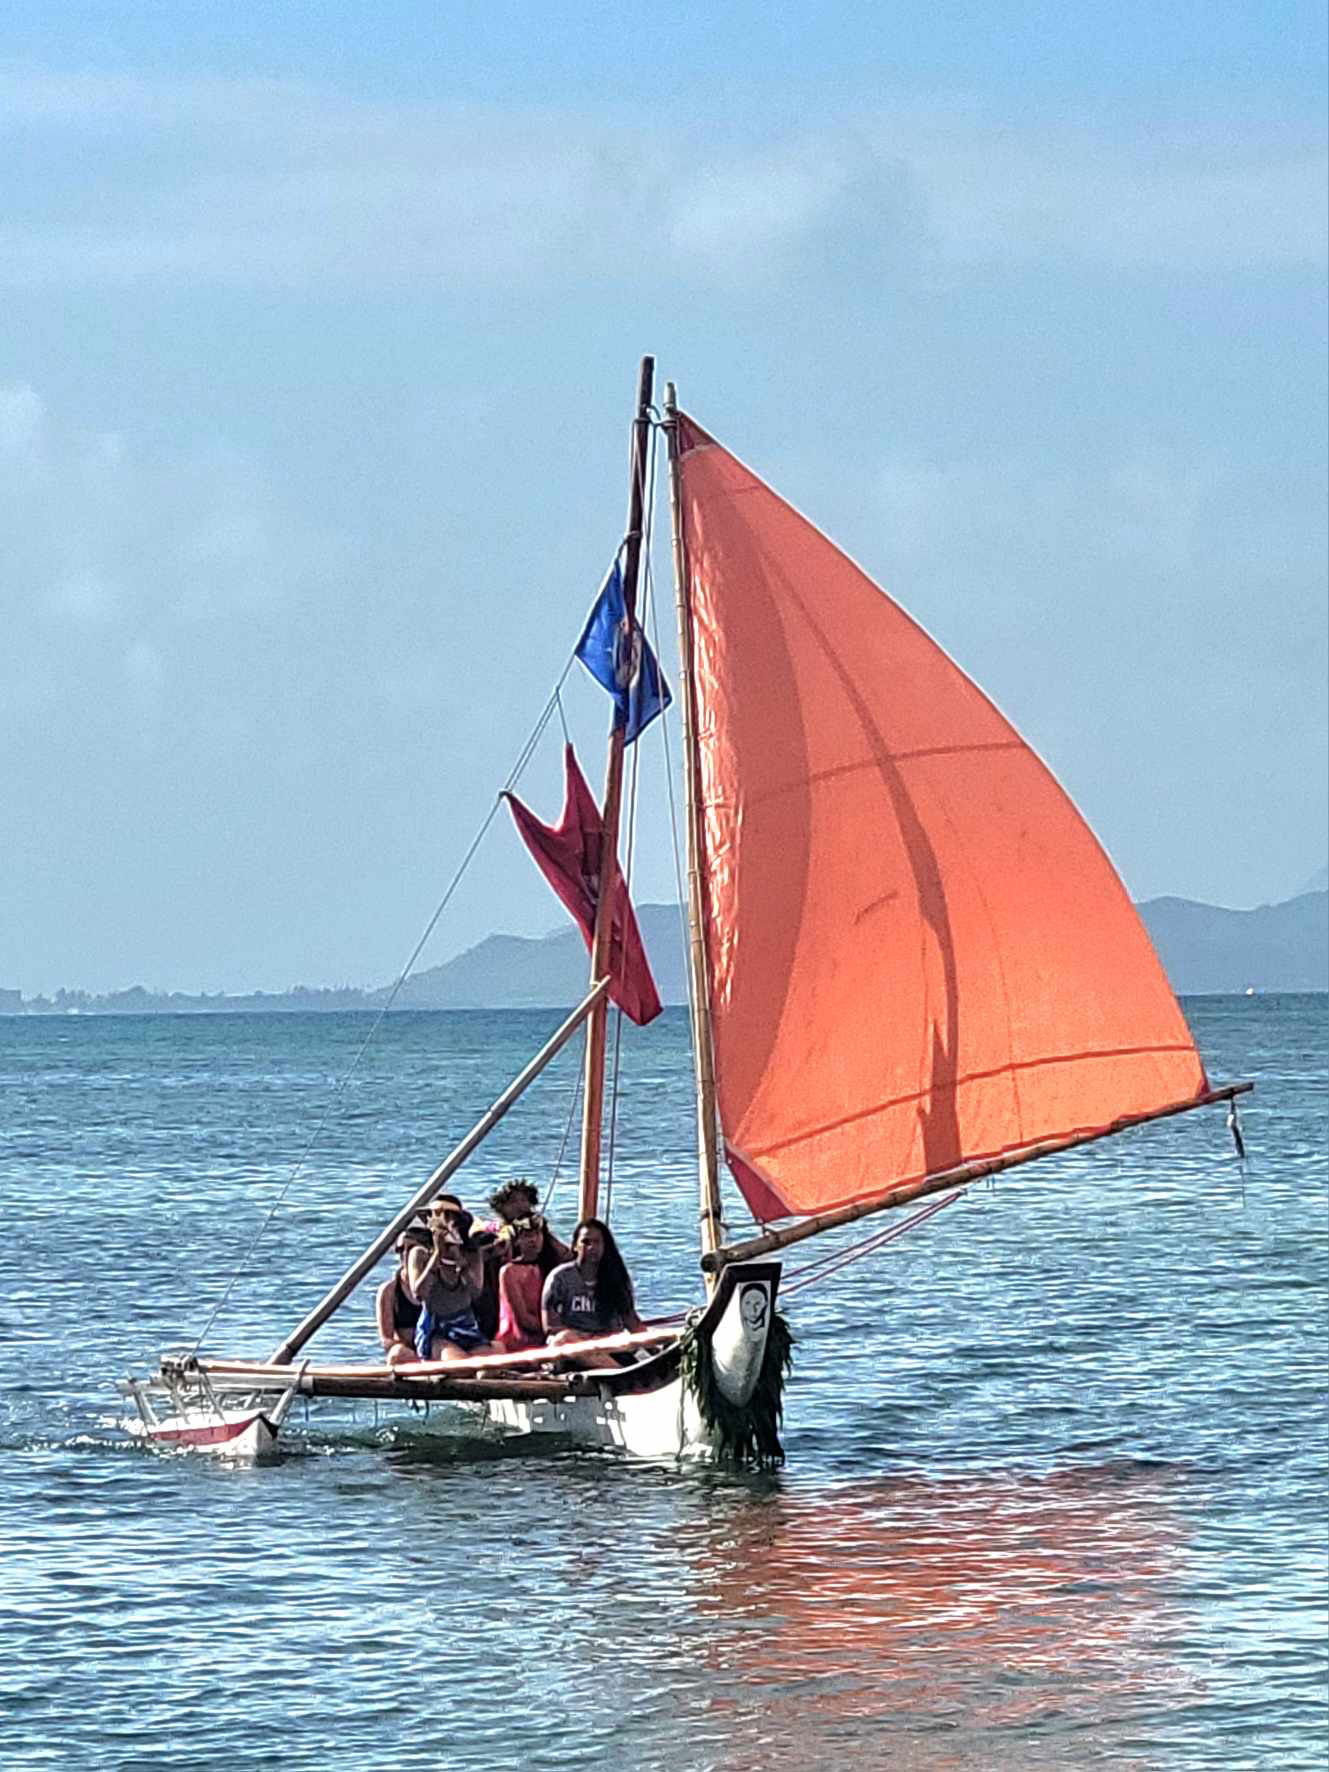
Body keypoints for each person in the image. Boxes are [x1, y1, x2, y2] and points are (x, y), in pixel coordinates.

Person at [541, 1217, 644, 1369]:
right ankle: (617, 1373)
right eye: (586, 1242)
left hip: (609, 1347)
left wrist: (657, 1348)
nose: (591, 1247)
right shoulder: (560, 1278)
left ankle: (618, 1371)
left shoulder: (616, 1277)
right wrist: (585, 1338)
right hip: (574, 1348)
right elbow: (550, 1326)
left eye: (597, 1242)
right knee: (562, 1340)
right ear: (575, 1246)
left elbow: (631, 1321)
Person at [405, 1200, 493, 1363]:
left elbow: (475, 1292)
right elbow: (419, 1293)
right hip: (437, 1330)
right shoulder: (419, 1254)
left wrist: (458, 1257)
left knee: (489, 1366)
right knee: (460, 1364)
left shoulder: (472, 1255)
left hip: (466, 1326)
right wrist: (437, 1254)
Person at [493, 1214, 562, 1352]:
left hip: (548, 1333)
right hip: (517, 1339)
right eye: (527, 1236)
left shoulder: (551, 1267)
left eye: (537, 1234)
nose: (533, 1240)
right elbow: (524, 1320)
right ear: (517, 1241)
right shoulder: (509, 1271)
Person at [375, 1224, 429, 1366]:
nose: (405, 1254)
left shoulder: (437, 1284)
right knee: (397, 1354)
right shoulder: (390, 1290)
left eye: (411, 1249)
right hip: (407, 1351)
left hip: (435, 1347)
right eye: (400, 1250)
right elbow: (386, 1339)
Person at [487, 1179, 573, 1265]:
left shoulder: (540, 1228)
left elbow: (566, 1255)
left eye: (524, 1200)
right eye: (512, 1201)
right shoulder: (498, 1232)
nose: (519, 1206)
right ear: (500, 1207)